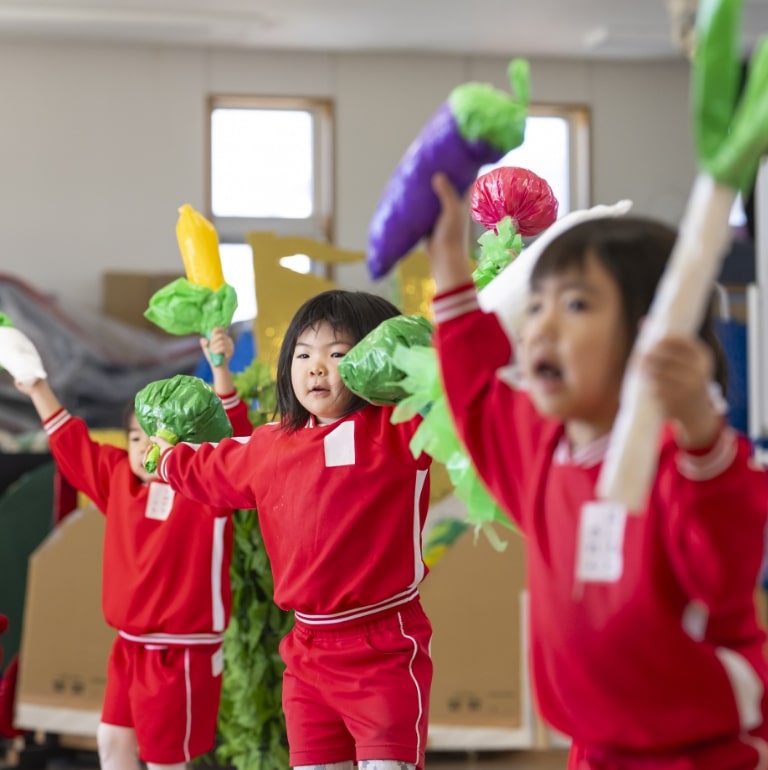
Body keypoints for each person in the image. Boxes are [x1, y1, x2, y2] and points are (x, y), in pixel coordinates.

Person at [425, 172, 768, 769]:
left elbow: (725, 567)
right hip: (593, 751)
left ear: (648, 333)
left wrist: (700, 435)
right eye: (536, 306)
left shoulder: (684, 464)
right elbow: (476, 388)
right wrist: (451, 269)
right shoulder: (542, 452)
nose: (541, 328)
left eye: (576, 304)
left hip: (696, 752)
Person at [150, 290, 434, 770]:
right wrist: (164, 458)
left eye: (337, 353)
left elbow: (458, 378)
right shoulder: (271, 445)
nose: (316, 367)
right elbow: (211, 467)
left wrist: (496, 268)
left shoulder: (398, 429)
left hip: (383, 647)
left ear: (375, 360)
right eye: (303, 354)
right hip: (305, 654)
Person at [14, 326, 253, 770]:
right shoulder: (118, 479)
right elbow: (73, 445)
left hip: (182, 650)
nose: (144, 446)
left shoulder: (206, 485)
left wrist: (220, 371)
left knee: (164, 760)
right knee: (112, 741)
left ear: (183, 441)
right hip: (128, 646)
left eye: (156, 436)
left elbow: (235, 443)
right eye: (135, 436)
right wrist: (36, 385)